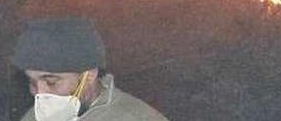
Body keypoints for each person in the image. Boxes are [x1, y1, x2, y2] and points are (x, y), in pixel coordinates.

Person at [12, 17, 169, 121]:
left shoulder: (138, 117)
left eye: (51, 82)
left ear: (89, 75)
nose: (40, 93)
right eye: (32, 82)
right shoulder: (34, 117)